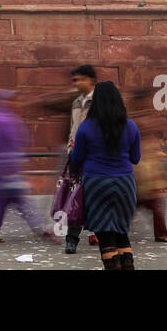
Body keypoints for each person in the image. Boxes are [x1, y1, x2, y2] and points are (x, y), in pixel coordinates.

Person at [70, 81, 141, 270]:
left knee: (105, 235)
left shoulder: (86, 127)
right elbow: (136, 158)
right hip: (125, 184)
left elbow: (76, 158)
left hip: (96, 184)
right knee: (121, 232)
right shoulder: (131, 126)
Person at [0, 89, 51, 245]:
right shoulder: (4, 120)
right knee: (18, 200)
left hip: (3, 167)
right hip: (7, 168)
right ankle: (39, 227)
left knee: (2, 201)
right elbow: (12, 143)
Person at [40, 64, 96, 253]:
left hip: (95, 156)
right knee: (75, 195)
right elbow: (74, 129)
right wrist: (73, 149)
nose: (76, 83)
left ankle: (99, 232)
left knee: (91, 195)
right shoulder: (76, 102)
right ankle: (71, 238)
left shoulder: (99, 101)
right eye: (74, 80)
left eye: (79, 79)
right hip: (76, 155)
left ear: (91, 80)